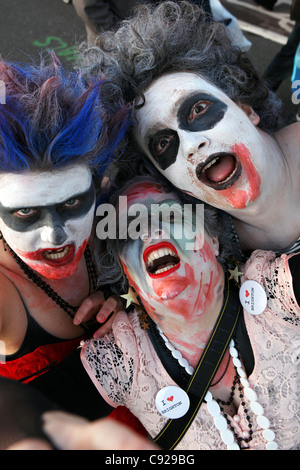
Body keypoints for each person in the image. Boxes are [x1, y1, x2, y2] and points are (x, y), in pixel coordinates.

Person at [77, 166, 300, 450]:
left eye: (170, 216)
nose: (150, 232)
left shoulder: (275, 296)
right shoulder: (121, 360)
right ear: (126, 273)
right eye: (128, 231)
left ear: (213, 237)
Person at [78, 0, 300, 255]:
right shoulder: (207, 250)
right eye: (163, 144)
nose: (192, 145)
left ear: (246, 109)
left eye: (198, 110)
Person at [0, 52, 134, 423]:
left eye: (73, 203)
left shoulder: (114, 217)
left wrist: (132, 298)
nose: (55, 234)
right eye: (26, 212)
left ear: (98, 186)